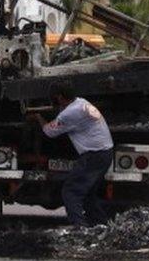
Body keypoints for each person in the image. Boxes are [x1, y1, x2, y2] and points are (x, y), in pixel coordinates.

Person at [29, 81, 114, 227]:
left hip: (94, 156)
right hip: (105, 152)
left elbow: (49, 132)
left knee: (71, 191)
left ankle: (79, 227)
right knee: (87, 193)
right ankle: (101, 225)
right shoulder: (81, 102)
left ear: (60, 97)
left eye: (55, 98)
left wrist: (38, 118)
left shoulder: (69, 113)